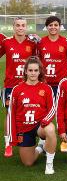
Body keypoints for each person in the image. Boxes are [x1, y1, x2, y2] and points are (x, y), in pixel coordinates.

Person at [6, 57, 57, 174]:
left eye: (35, 70)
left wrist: (45, 121)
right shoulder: (17, 89)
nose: (33, 73)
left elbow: (52, 108)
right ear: (25, 71)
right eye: (30, 70)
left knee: (50, 129)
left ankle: (49, 165)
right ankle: (40, 148)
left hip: (40, 126)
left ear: (39, 72)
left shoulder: (46, 88)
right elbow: (11, 113)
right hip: (24, 128)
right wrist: (11, 137)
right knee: (28, 163)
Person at [1, 17, 37, 157]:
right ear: (13, 27)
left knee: (33, 110)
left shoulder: (32, 43)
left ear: (26, 27)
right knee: (9, 114)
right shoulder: (6, 42)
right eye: (18, 25)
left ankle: (37, 141)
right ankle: (8, 144)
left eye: (23, 25)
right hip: (10, 85)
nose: (20, 28)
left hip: (28, 84)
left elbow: (37, 62)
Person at [37, 16, 67, 153]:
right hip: (45, 84)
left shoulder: (66, 42)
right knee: (44, 112)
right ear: (47, 27)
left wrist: (62, 75)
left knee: (63, 111)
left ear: (59, 26)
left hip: (61, 83)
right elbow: (38, 61)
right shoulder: (41, 42)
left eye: (55, 25)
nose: (53, 27)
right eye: (50, 25)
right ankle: (43, 140)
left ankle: (66, 140)